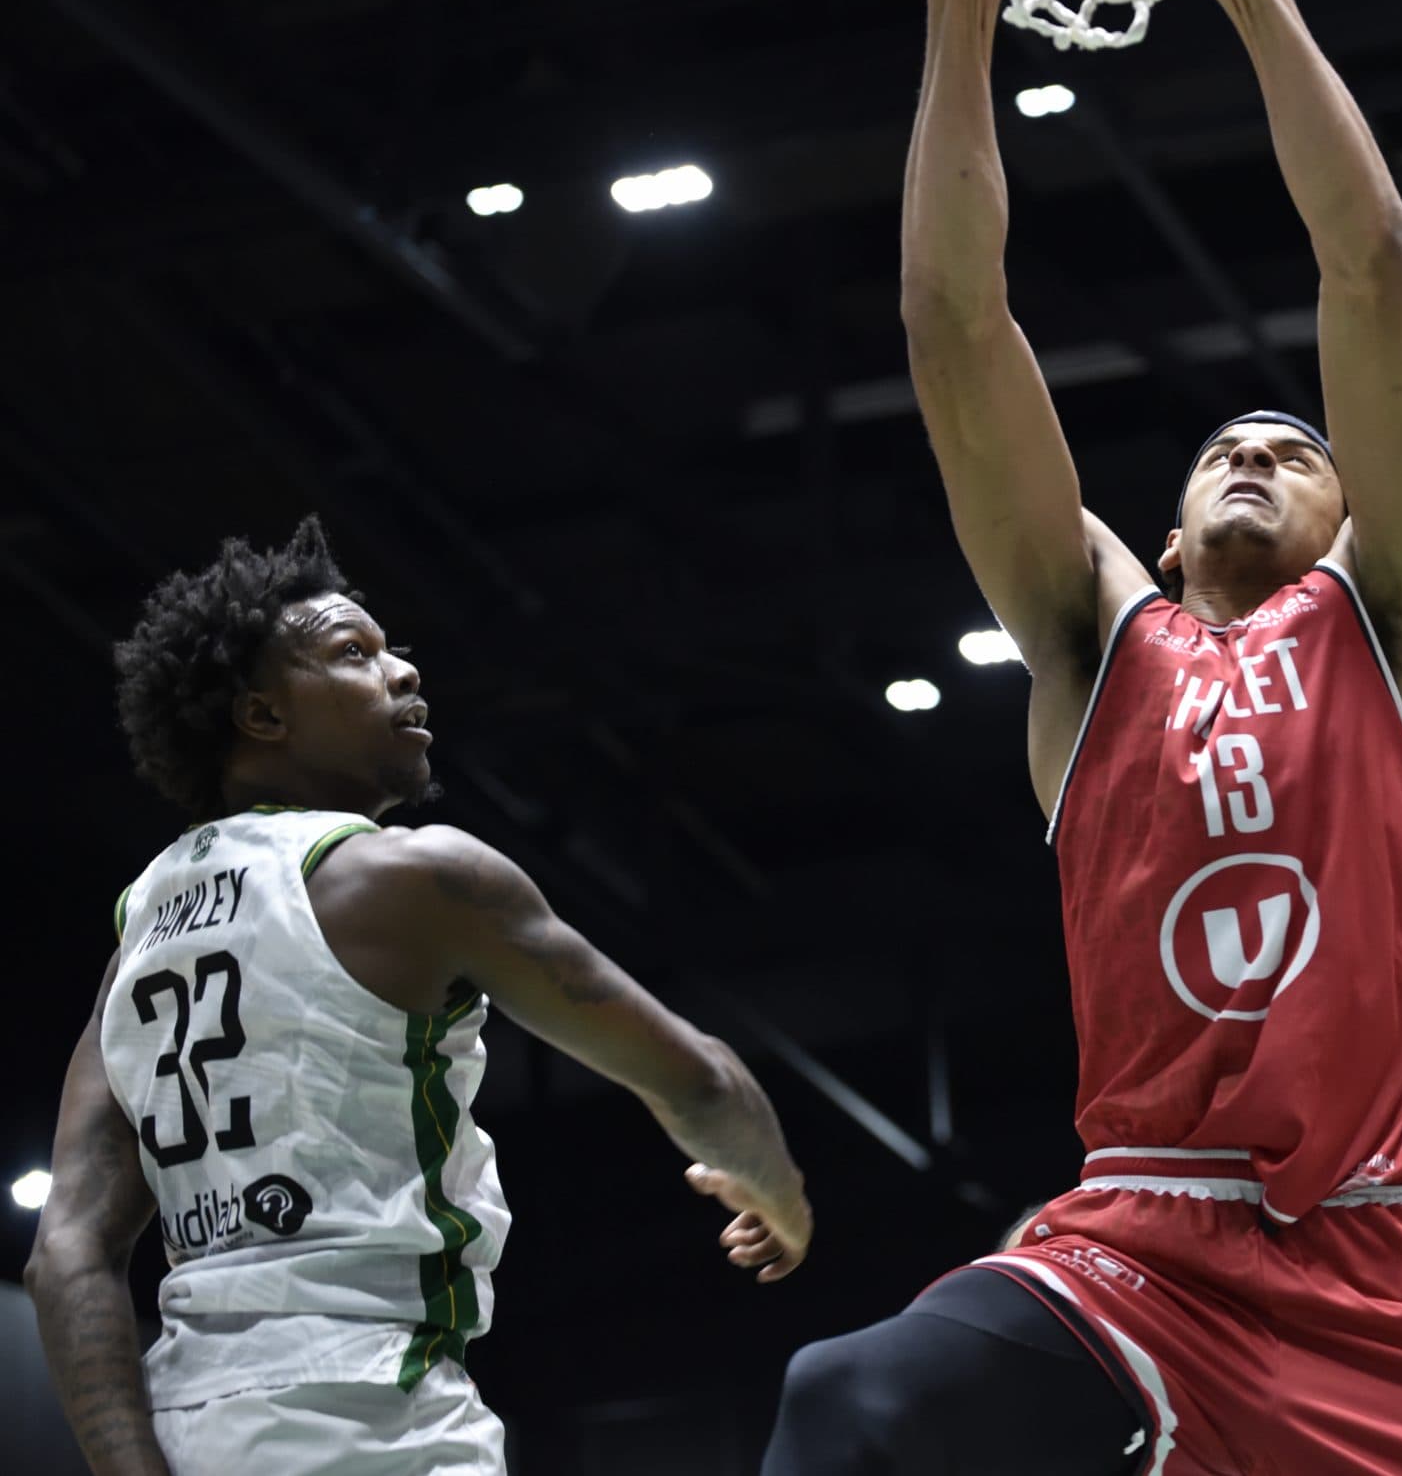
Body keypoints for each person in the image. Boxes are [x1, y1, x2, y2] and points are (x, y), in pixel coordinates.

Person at [758, 0, 1402, 1475]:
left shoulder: (1392, 623)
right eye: (1225, 451)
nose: (1258, 455)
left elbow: (1377, 267)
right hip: (1144, 1235)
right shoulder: (1093, 644)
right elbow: (951, 324)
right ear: (1167, 529)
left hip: (1381, 1249)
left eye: (1298, 453)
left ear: (1358, 515)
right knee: (848, 1396)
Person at [26, 517, 815, 1476]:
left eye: (391, 648)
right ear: (262, 715)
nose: (402, 671)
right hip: (372, 1421)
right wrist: (781, 1195)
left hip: (193, 1428)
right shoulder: (409, 877)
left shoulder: (139, 933)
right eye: (353, 653)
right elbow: (700, 1083)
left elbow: (67, 1249)